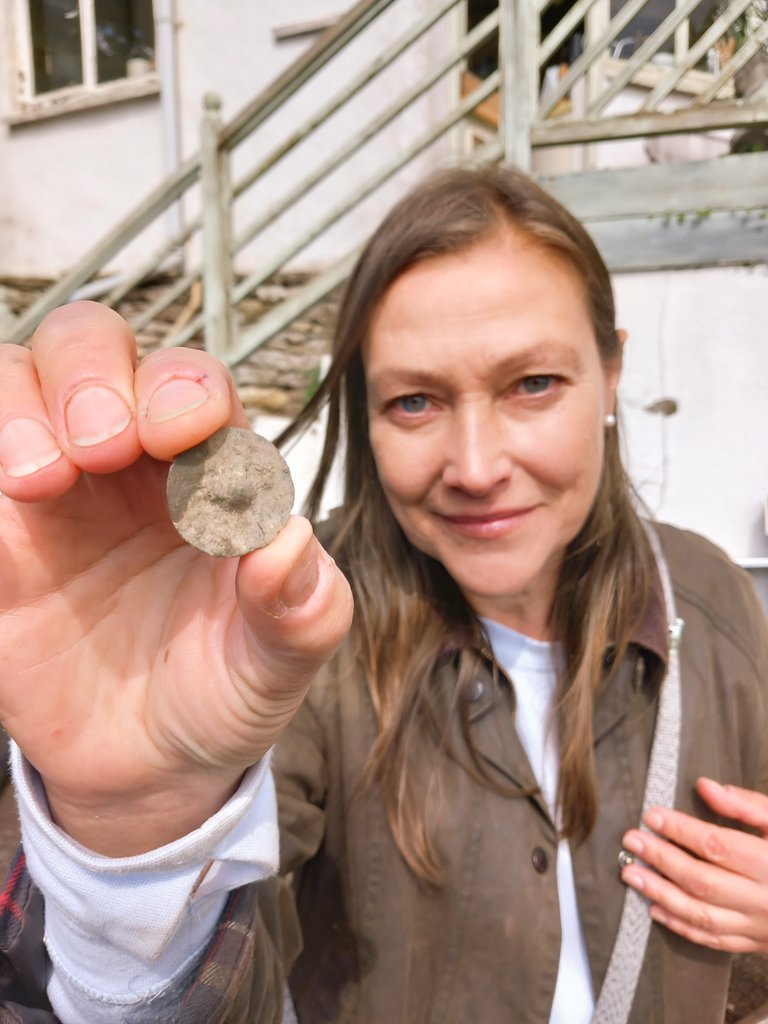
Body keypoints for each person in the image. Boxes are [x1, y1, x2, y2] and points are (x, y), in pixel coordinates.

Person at [0, 165, 766, 1024]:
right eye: (413, 402)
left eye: (533, 385)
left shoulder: (711, 596)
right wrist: (137, 844)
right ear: (363, 415)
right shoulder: (273, 630)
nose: (475, 467)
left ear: (612, 371)